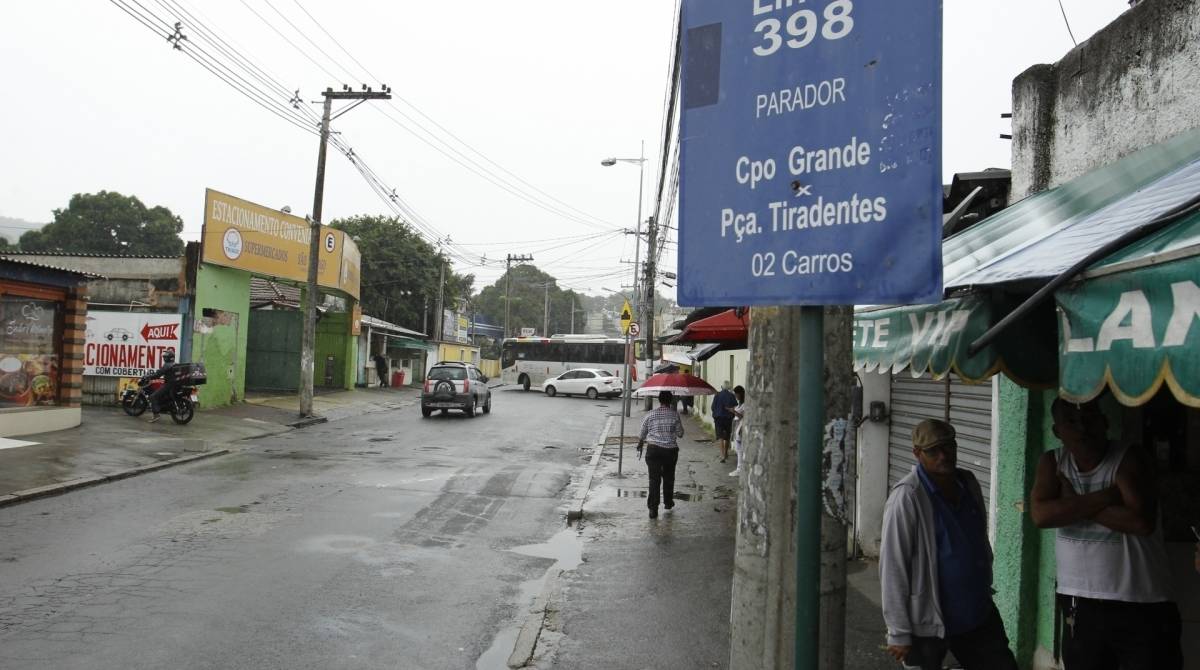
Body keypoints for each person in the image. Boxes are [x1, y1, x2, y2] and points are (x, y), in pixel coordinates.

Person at [1030, 398, 1181, 670]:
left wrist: (1072, 503)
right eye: (1071, 422)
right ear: (1057, 431)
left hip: (1140, 603)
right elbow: (1042, 515)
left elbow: (1139, 522)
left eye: (1089, 417)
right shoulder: (1052, 462)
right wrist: (1108, 496)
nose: (1082, 428)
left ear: (1105, 422)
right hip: (1079, 604)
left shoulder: (1128, 458)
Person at [880, 419, 1018, 670]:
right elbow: (893, 567)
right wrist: (898, 631)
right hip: (928, 620)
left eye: (948, 446)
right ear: (917, 454)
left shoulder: (968, 482)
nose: (943, 455)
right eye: (933, 451)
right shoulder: (907, 497)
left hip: (975, 611)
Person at [637, 390, 684, 520]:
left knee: (654, 479)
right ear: (670, 401)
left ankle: (653, 509)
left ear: (659, 400)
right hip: (670, 451)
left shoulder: (650, 414)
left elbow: (642, 433)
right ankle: (668, 503)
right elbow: (680, 434)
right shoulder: (674, 415)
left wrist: (640, 444)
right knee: (669, 477)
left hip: (653, 450)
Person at [145, 348, 177, 423]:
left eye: (165, 357)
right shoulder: (175, 364)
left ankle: (156, 415)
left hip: (169, 385)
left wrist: (150, 376)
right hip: (175, 384)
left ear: (168, 358)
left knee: (153, 396)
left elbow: (159, 374)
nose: (164, 358)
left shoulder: (167, 365)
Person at [711, 381, 737, 463]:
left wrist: (716, 412)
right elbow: (735, 406)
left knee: (721, 437)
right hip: (728, 418)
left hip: (718, 418)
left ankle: (722, 456)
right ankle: (726, 453)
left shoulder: (717, 395)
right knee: (727, 436)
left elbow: (712, 407)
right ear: (729, 387)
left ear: (722, 387)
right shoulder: (732, 395)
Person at [729, 385, 746, 477]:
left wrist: (734, 411)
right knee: (738, 449)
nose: (736, 396)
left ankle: (740, 468)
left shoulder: (745, 404)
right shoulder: (739, 403)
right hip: (737, 427)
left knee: (740, 450)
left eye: (736, 394)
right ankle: (739, 468)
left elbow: (742, 416)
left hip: (741, 427)